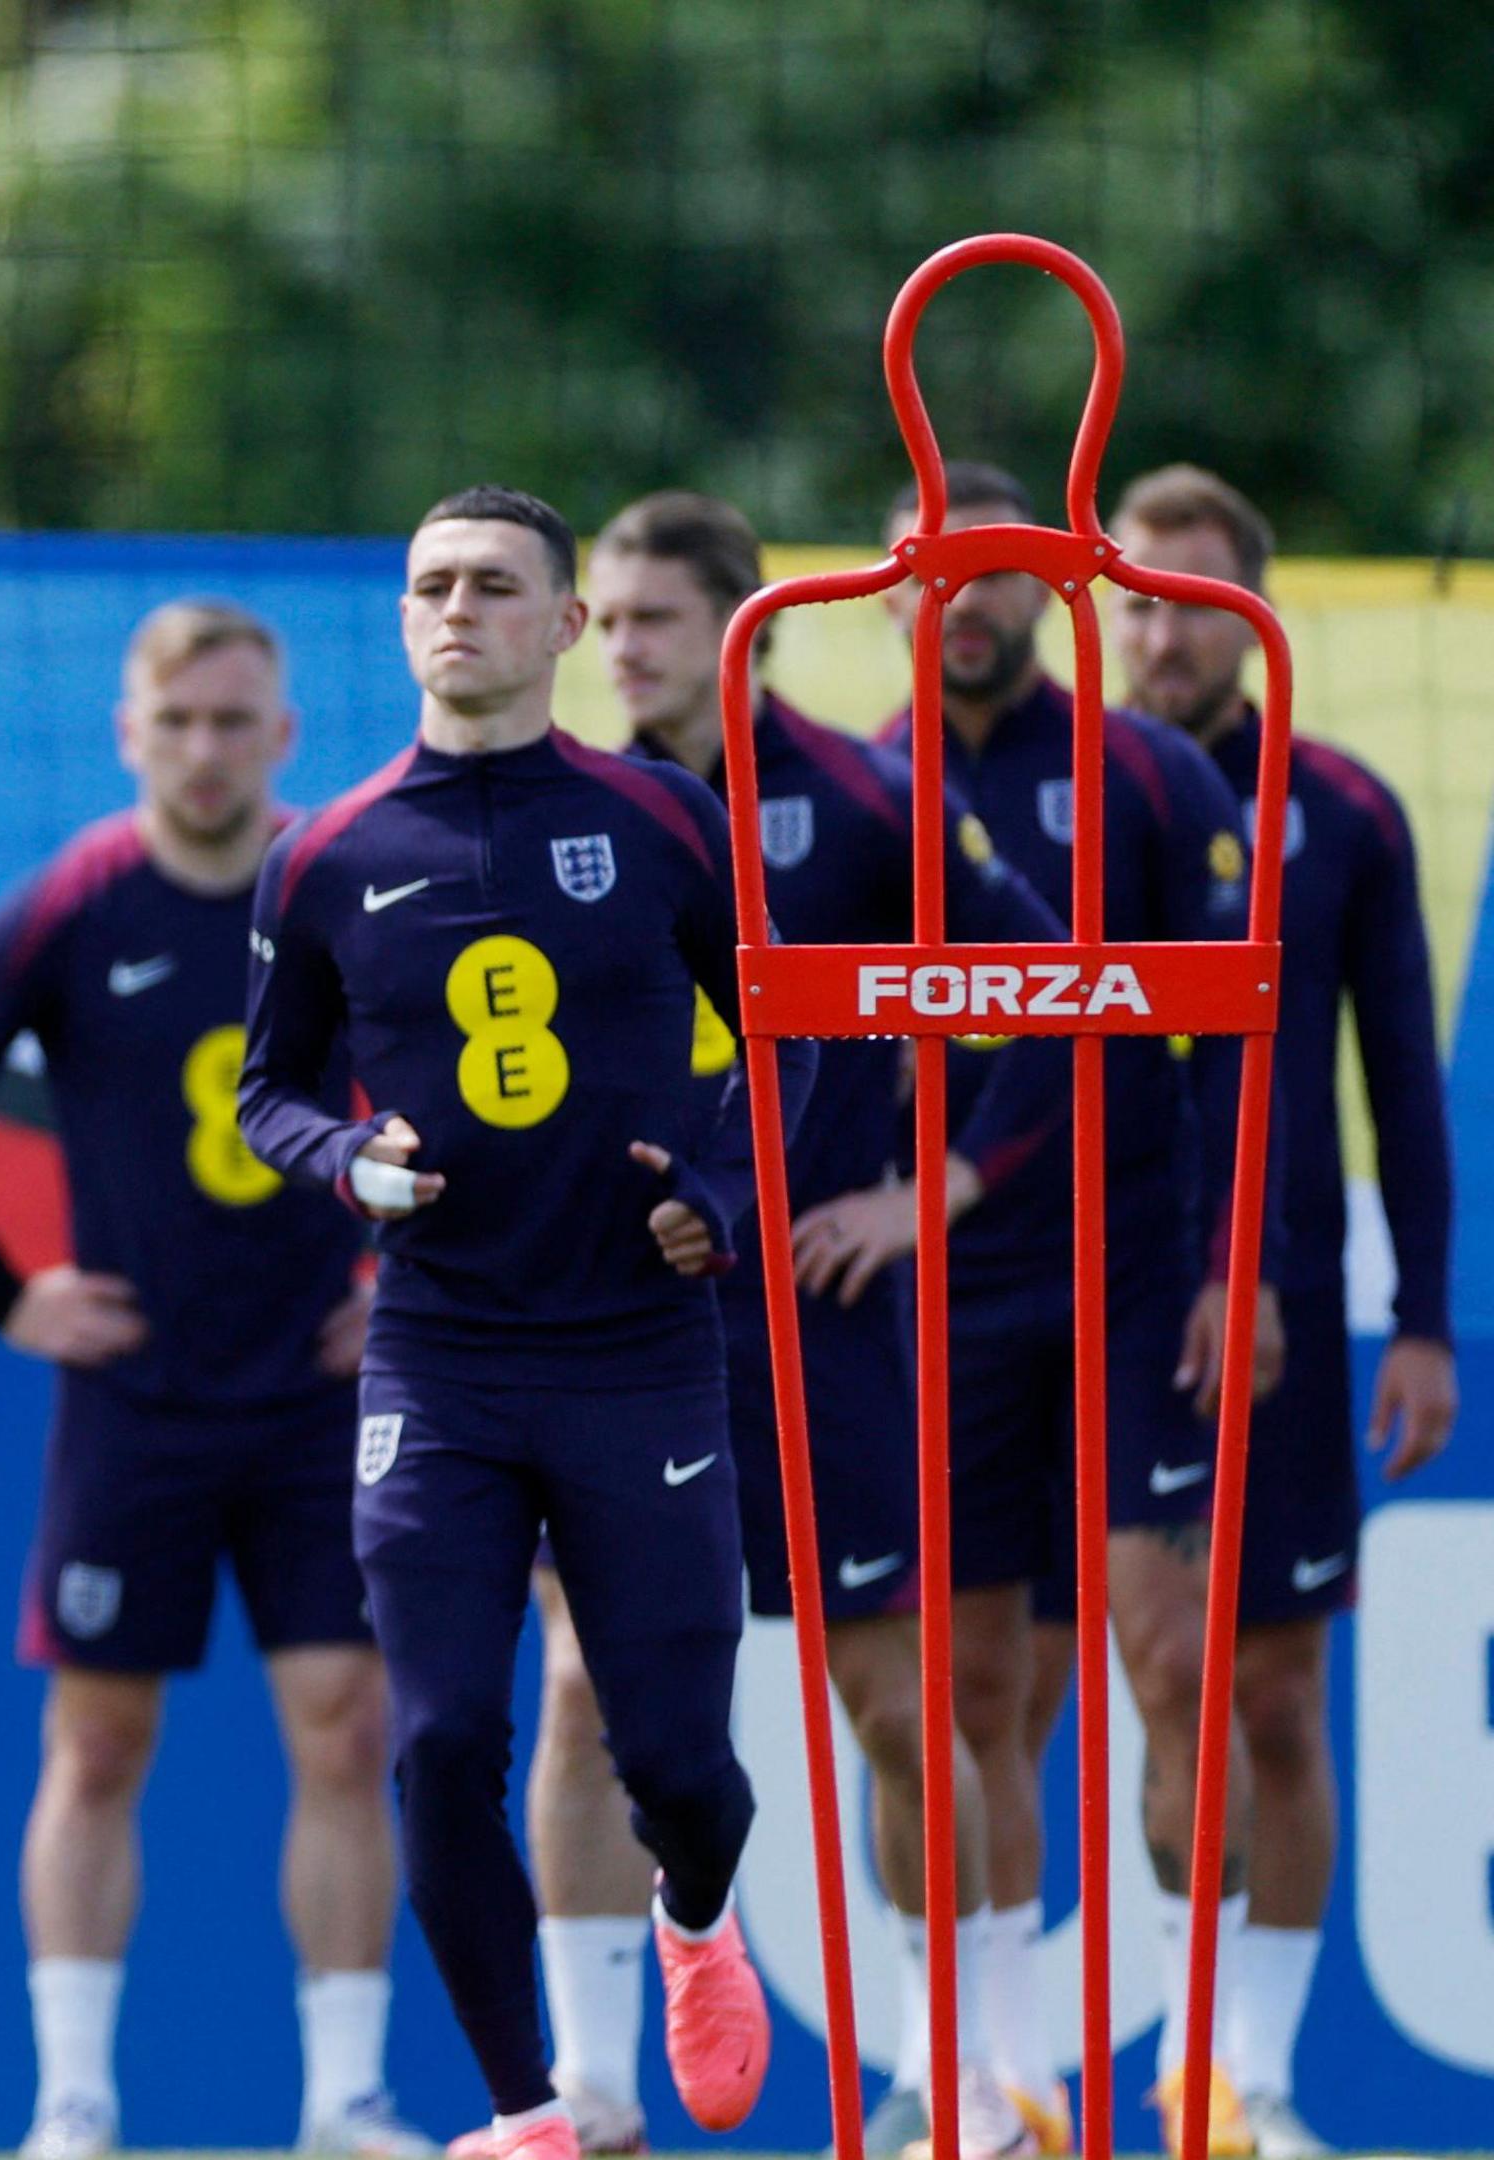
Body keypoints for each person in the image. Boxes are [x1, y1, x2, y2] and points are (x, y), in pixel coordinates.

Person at [479, 494, 1070, 2160]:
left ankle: (945, 2080)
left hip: (815, 1330)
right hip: (607, 1324)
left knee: (896, 1697)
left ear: (756, 625)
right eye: (617, 615)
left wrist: (930, 1185)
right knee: (588, 1693)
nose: (635, 644)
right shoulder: (539, 811)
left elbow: (1043, 979)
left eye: (669, 616)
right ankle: (585, 2092)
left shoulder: (869, 798)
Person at [238, 487, 798, 2160]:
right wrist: (348, 1162)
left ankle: (697, 1917)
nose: (455, 609)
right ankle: (528, 2114)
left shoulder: (668, 820)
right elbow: (269, 1091)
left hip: (639, 1350)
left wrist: (724, 1188)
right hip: (444, 1359)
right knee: (440, 1740)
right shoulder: (327, 852)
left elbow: (795, 1043)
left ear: (566, 628)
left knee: (683, 1761)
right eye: (429, 585)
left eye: (493, 585)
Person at [0, 598, 425, 2160]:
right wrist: (5, 1298)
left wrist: (402, 1286)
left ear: (283, 738)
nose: (203, 749)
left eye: (233, 722)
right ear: (128, 734)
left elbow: (481, 1094)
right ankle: (75, 2106)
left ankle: (344, 2100)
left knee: (342, 1723)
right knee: (100, 1744)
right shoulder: (76, 900)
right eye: (175, 722)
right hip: (138, 1399)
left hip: (317, 1394)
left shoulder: (348, 881)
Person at [874, 461, 1275, 2156]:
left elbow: (1244, 1045)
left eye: (997, 571)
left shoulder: (1153, 772)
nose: (964, 600)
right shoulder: (844, 789)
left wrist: (1231, 1265)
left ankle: (1208, 2067)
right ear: (889, 586)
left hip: (1132, 1272)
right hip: (939, 1298)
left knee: (1176, 1666)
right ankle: (991, 2078)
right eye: (933, 569)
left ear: (1056, 588)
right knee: (970, 1698)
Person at [1112, 464, 1454, 2160]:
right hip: (1089, 1306)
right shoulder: (1039, 795)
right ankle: (1009, 2061)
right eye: (1138, 597)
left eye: (1196, 599)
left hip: (1297, 1313)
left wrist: (1428, 1319)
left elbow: (1403, 1073)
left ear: (1255, 613)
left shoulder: (1349, 807)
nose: (1163, 628)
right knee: (1137, 1671)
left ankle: (1244, 2076)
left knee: (1271, 1696)